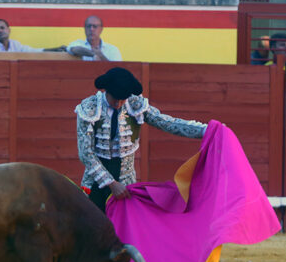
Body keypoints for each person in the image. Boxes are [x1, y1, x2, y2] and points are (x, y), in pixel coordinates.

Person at [76, 67, 207, 212]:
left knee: (123, 230)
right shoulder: (89, 108)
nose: (118, 103)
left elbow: (167, 123)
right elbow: (86, 154)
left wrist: (205, 130)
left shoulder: (134, 104)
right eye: (115, 98)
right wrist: (111, 183)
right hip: (94, 180)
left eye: (122, 99)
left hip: (125, 179)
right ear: (106, 91)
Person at [0, 19, 66, 52]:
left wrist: (54, 49)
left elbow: (33, 51)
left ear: (9, 30)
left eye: (2, 28)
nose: (0, 31)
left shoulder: (16, 44)